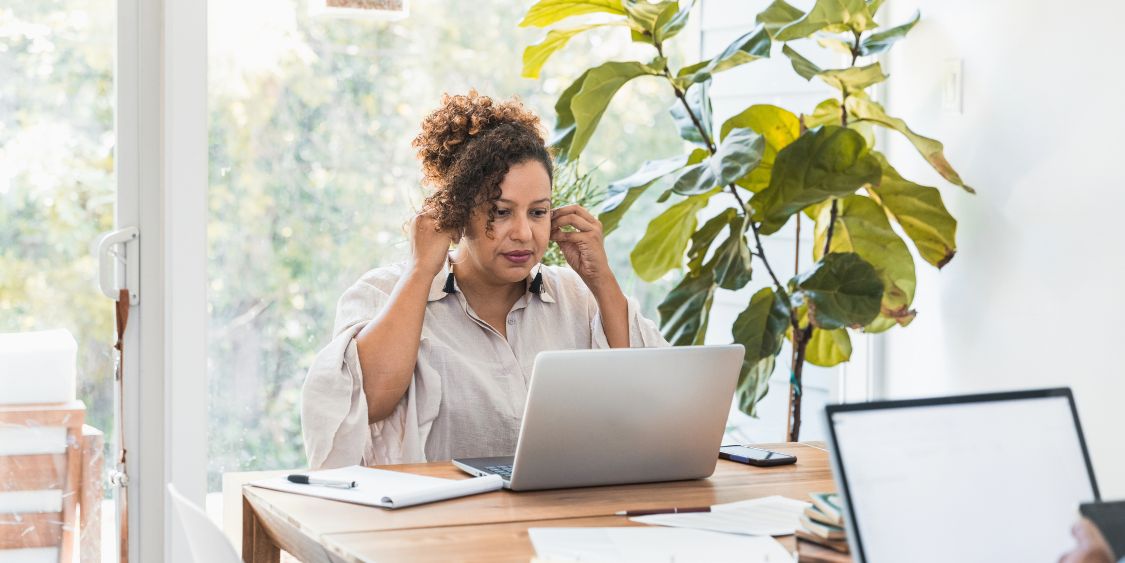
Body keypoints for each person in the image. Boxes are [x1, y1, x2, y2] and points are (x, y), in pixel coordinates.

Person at [301, 91, 667, 469]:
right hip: (435, 523)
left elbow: (649, 408)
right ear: (457, 215)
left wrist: (601, 280)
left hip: (564, 517)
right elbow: (369, 403)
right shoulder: (383, 293)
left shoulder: (578, 297)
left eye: (538, 212)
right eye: (501, 212)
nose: (524, 232)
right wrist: (420, 270)